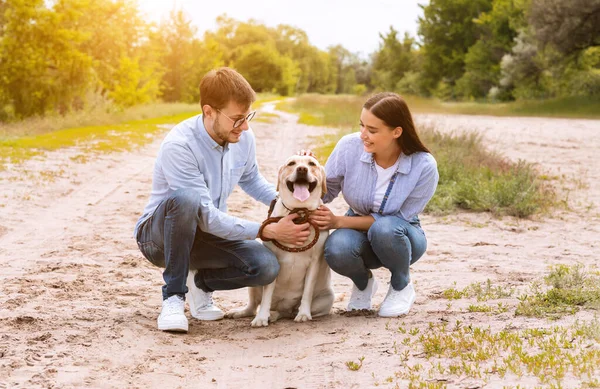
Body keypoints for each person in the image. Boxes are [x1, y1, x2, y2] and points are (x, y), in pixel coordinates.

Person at [134, 67, 311, 332]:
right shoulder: (179, 146)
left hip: (206, 235)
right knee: (186, 200)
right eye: (238, 118)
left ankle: (201, 284)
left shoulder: (243, 137)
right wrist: (267, 229)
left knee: (265, 267)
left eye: (248, 116)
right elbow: (205, 214)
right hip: (159, 238)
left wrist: (292, 204)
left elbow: (250, 179)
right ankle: (173, 297)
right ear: (209, 112)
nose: (246, 125)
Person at [309, 92, 439, 318]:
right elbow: (326, 191)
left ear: (396, 132)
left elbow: (400, 218)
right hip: (356, 224)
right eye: (362, 126)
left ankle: (401, 285)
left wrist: (339, 221)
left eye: (372, 130)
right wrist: (308, 170)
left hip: (402, 235)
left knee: (385, 228)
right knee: (336, 250)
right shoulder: (349, 147)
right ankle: (363, 283)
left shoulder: (424, 166)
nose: (363, 135)